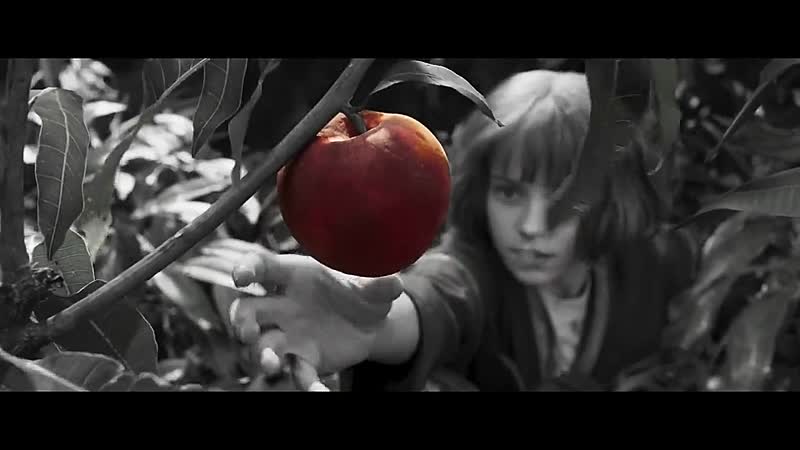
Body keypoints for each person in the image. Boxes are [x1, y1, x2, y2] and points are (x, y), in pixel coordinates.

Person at [227, 69, 699, 392]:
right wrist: (375, 328)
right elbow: (435, 302)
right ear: (481, 189)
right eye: (509, 192)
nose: (532, 227)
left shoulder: (654, 266)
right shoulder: (473, 272)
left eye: (565, 196)